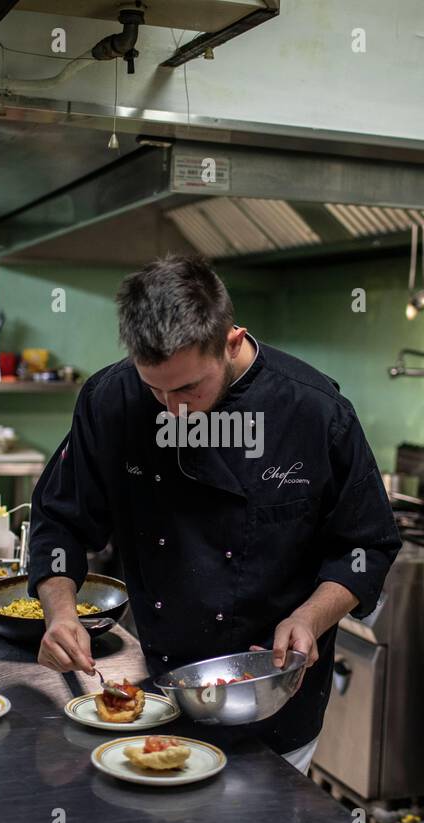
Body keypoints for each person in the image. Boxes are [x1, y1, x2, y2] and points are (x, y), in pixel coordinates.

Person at [29, 255, 400, 773]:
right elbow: (58, 521)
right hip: (149, 690)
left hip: (272, 700)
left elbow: (367, 545)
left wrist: (309, 619)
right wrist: (61, 613)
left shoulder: (313, 412)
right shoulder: (109, 400)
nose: (170, 408)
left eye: (186, 388)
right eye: (154, 388)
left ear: (231, 340)